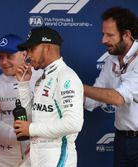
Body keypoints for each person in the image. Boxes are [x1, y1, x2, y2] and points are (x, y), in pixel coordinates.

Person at [14, 26, 84, 167]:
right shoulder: (43, 78)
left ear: (47, 48)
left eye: (32, 49)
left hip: (57, 153)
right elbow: (30, 115)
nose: (28, 55)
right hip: (38, 153)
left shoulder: (66, 77)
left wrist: (31, 129)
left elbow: (74, 123)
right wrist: (23, 85)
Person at [83, 7, 138, 167]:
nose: (103, 40)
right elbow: (92, 100)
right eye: (103, 34)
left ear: (127, 34)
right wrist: (67, 91)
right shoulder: (111, 59)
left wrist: (78, 86)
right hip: (122, 139)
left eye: (110, 35)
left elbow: (118, 98)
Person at [0, 34, 41, 167]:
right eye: (0, 57)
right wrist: (24, 132)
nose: (4, 62)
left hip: (37, 152)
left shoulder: (41, 79)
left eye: (9, 56)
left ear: (23, 54)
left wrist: (30, 132)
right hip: (4, 155)